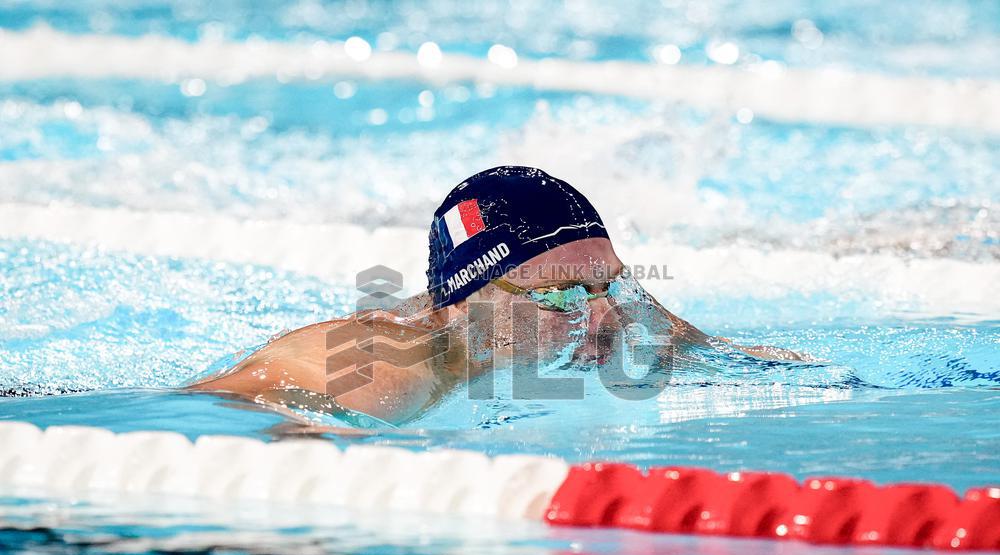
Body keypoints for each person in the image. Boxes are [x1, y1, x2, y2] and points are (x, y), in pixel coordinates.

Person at [188, 166, 801, 424]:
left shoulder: (616, 312)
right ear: (467, 302)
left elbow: (770, 367)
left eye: (612, 283)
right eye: (562, 296)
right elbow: (212, 425)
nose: (609, 315)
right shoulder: (385, 362)